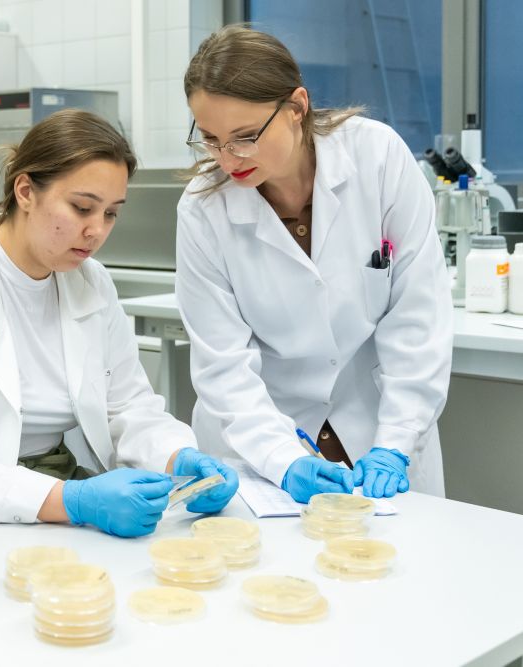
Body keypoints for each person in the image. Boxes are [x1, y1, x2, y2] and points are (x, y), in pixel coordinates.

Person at [0, 109, 239, 541]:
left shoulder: (90, 282)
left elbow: (128, 406)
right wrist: (74, 500)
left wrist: (177, 455)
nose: (96, 231)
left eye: (111, 214)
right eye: (82, 208)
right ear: (25, 191)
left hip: (53, 496)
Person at [176, 25, 452, 503]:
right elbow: (223, 364)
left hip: (375, 427)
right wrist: (282, 459)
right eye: (210, 139)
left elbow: (418, 316)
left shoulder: (377, 158)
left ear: (297, 107)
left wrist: (396, 442)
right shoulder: (203, 209)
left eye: (245, 137)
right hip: (262, 439)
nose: (228, 158)